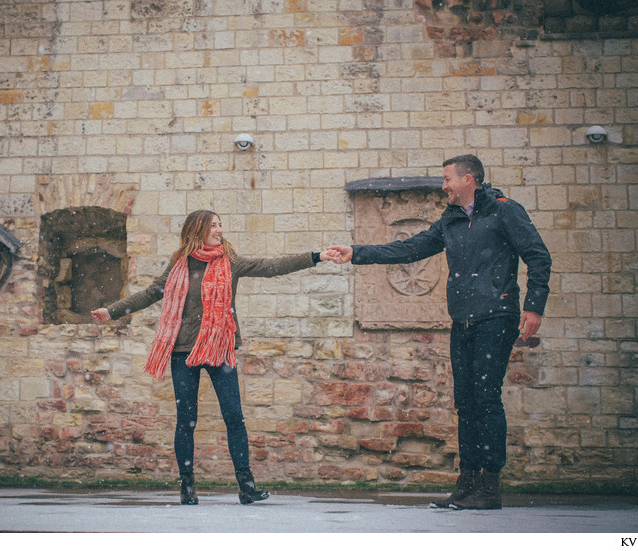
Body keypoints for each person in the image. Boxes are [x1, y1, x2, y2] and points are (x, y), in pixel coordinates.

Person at [329, 154, 551, 510]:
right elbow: (409, 248)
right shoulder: (449, 220)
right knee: (465, 401)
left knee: (486, 398)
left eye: (448, 179)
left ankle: (489, 486)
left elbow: (538, 256)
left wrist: (534, 306)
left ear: (469, 179)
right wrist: (356, 252)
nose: (444, 185)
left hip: (497, 316)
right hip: (462, 319)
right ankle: (467, 483)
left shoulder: (504, 211)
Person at [92, 209, 339, 505]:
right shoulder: (179, 264)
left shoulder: (229, 262)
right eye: (213, 226)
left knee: (234, 417)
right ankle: (187, 487)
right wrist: (112, 311)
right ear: (197, 230)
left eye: (221, 225)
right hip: (183, 351)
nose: (220, 230)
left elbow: (271, 266)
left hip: (219, 348)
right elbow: (150, 294)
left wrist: (316, 256)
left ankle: (246, 486)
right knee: (186, 420)